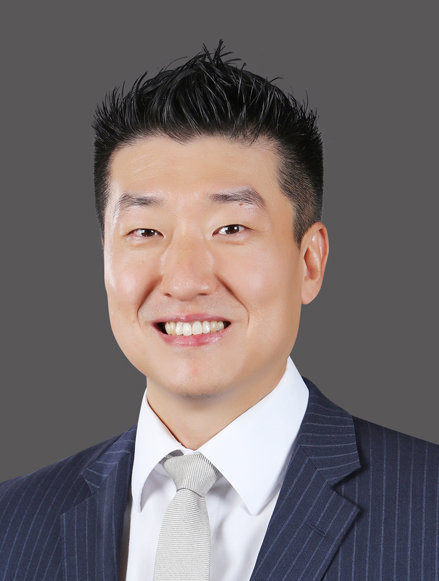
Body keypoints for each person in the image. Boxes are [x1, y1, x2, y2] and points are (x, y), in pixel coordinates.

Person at [0, 42, 438, 581]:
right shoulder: (11, 523)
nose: (185, 280)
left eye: (231, 228)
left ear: (309, 262)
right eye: (145, 231)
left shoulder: (429, 509)